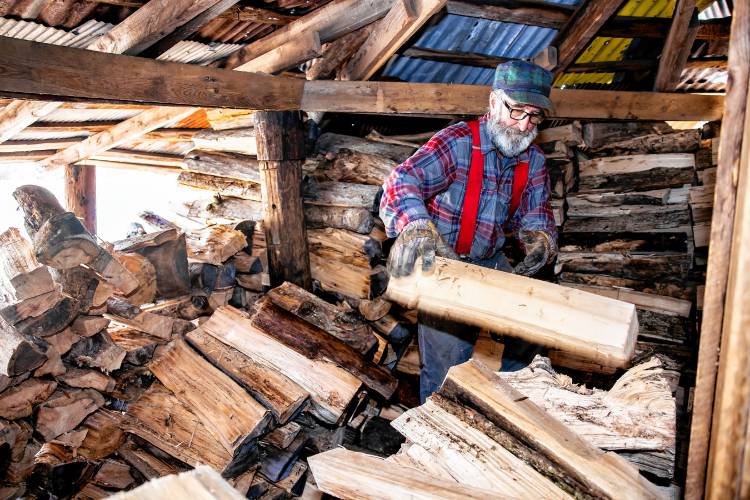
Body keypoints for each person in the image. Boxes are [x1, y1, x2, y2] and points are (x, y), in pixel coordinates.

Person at [379, 61, 558, 403]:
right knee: (447, 365)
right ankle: (438, 430)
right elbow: (402, 181)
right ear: (493, 102)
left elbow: (536, 213)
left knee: (533, 329)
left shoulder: (533, 160)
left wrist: (541, 240)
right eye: (516, 110)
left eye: (534, 116)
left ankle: (509, 406)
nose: (523, 124)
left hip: (489, 261)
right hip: (444, 265)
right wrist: (416, 227)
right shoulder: (458, 142)